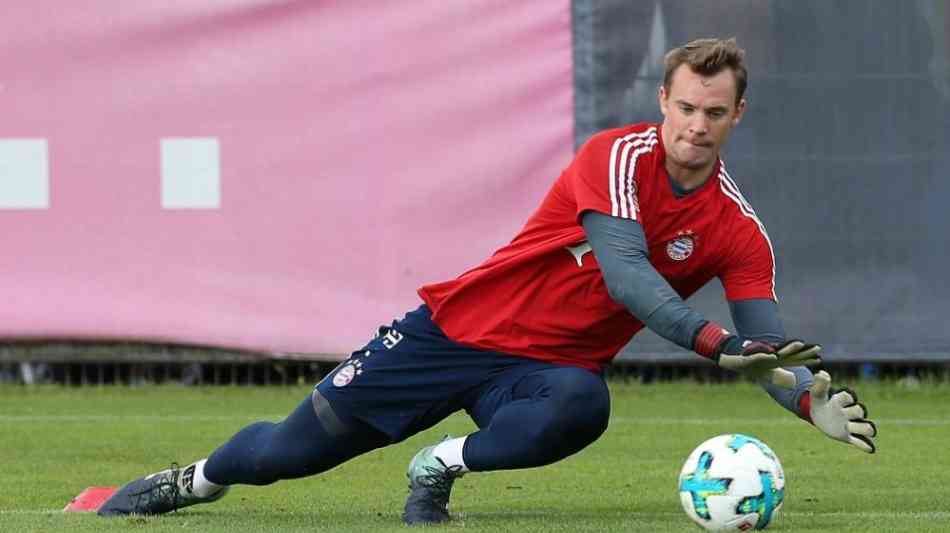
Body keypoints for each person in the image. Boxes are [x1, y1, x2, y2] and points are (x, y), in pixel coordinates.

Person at [98, 38, 877, 524]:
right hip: (452, 333)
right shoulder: (614, 157)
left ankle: (439, 465)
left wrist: (804, 399)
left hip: (545, 372)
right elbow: (628, 276)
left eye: (714, 111)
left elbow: (767, 342)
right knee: (284, 453)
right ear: (662, 103)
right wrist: (713, 341)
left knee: (583, 406)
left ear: (739, 114)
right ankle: (192, 480)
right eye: (685, 107)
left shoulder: (738, 227)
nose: (696, 125)